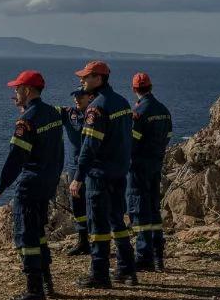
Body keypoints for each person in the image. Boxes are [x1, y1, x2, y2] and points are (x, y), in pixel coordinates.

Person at [0, 70, 65, 300]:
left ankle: (34, 290)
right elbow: (58, 151)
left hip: (30, 184)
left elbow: (15, 158)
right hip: (48, 181)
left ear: (28, 91)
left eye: (17, 89)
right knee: (39, 233)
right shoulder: (52, 113)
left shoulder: (27, 121)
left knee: (27, 236)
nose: (15, 93)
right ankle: (46, 283)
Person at [68, 61, 137, 288]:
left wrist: (78, 177)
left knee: (98, 225)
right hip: (119, 172)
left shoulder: (97, 107)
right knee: (118, 220)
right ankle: (127, 270)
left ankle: (99, 274)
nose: (82, 81)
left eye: (86, 77)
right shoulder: (123, 103)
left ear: (99, 79)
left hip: (100, 174)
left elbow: (89, 147)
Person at [127, 72, 173, 272]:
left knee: (139, 209)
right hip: (156, 163)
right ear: (151, 87)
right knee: (154, 208)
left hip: (139, 166)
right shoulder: (163, 110)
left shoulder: (138, 112)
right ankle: (157, 256)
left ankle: (143, 255)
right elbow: (168, 136)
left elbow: (132, 142)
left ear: (134, 89)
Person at [60, 88, 95, 256]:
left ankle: (98, 242)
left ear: (90, 97)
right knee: (77, 205)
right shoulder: (69, 114)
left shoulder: (95, 114)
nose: (76, 99)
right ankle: (83, 241)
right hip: (74, 167)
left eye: (80, 96)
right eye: (75, 96)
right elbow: (47, 112)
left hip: (92, 167)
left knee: (94, 203)